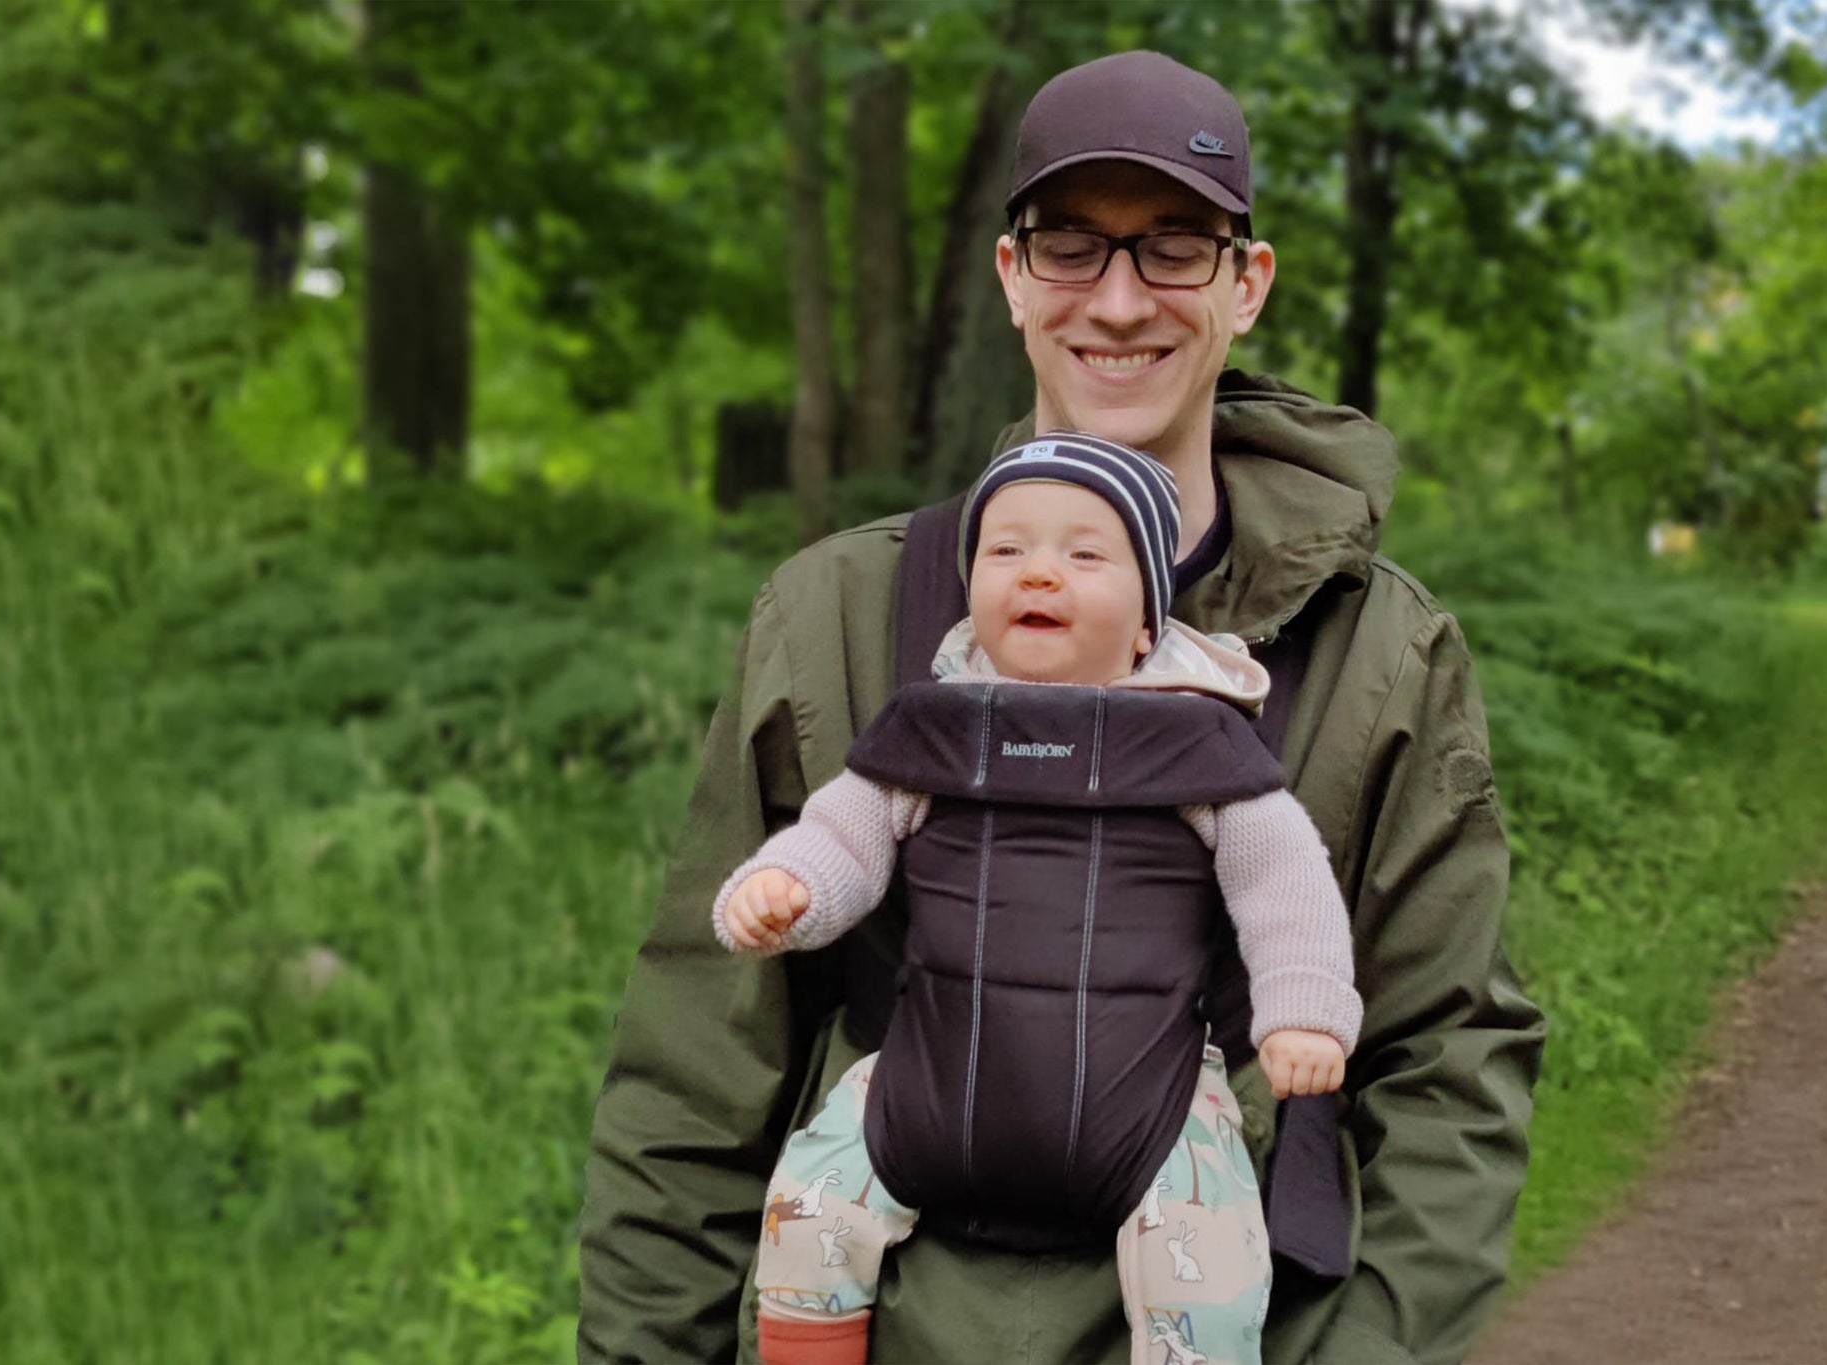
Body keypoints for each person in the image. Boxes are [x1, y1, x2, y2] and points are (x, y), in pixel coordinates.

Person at [580, 48, 1545, 1365]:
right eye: (1071, 245)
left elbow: (1448, 1061)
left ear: (1247, 283)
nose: (1121, 299)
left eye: (1176, 248)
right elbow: (698, 1063)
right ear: (1012, 276)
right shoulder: (838, 616)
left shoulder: (1381, 654)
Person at [715, 434, 1363, 1365]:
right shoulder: (933, 731)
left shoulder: (1195, 742)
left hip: (1149, 1104)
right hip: (925, 1086)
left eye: (1085, 554)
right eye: (1007, 549)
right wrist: (787, 889)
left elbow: (1285, 878)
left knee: (1208, 1266)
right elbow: (842, 836)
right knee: (809, 1210)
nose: (1039, 573)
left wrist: (1304, 1011)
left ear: (1147, 621)